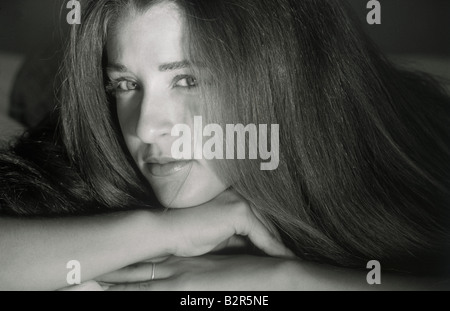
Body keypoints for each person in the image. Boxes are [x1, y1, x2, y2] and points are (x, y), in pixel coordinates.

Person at [1, 0, 449, 291]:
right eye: (124, 83)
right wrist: (161, 231)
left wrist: (284, 281)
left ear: (278, 76)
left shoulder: (417, 153)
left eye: (187, 79)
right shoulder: (85, 151)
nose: (147, 128)